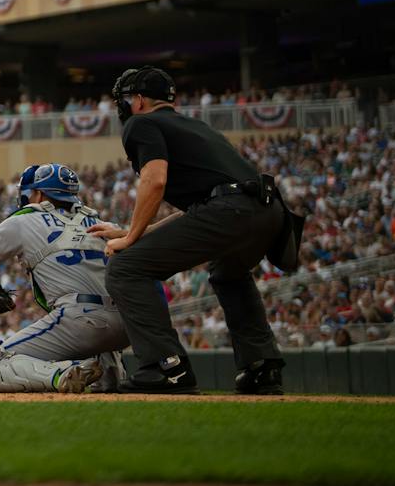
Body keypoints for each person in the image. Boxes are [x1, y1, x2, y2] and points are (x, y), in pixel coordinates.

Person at [94, 66, 288, 395]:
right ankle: (261, 367)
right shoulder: (196, 126)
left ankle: (165, 367)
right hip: (269, 212)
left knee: (126, 268)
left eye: (126, 100)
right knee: (229, 273)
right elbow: (209, 206)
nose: (124, 107)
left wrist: (129, 240)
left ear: (139, 101)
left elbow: (155, 181)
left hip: (231, 211)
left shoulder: (142, 123)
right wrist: (137, 230)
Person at [0, 164, 128, 394]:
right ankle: (111, 371)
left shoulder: (25, 219)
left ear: (38, 194)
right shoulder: (101, 222)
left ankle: (62, 373)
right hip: (127, 321)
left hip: (80, 320)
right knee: (104, 381)